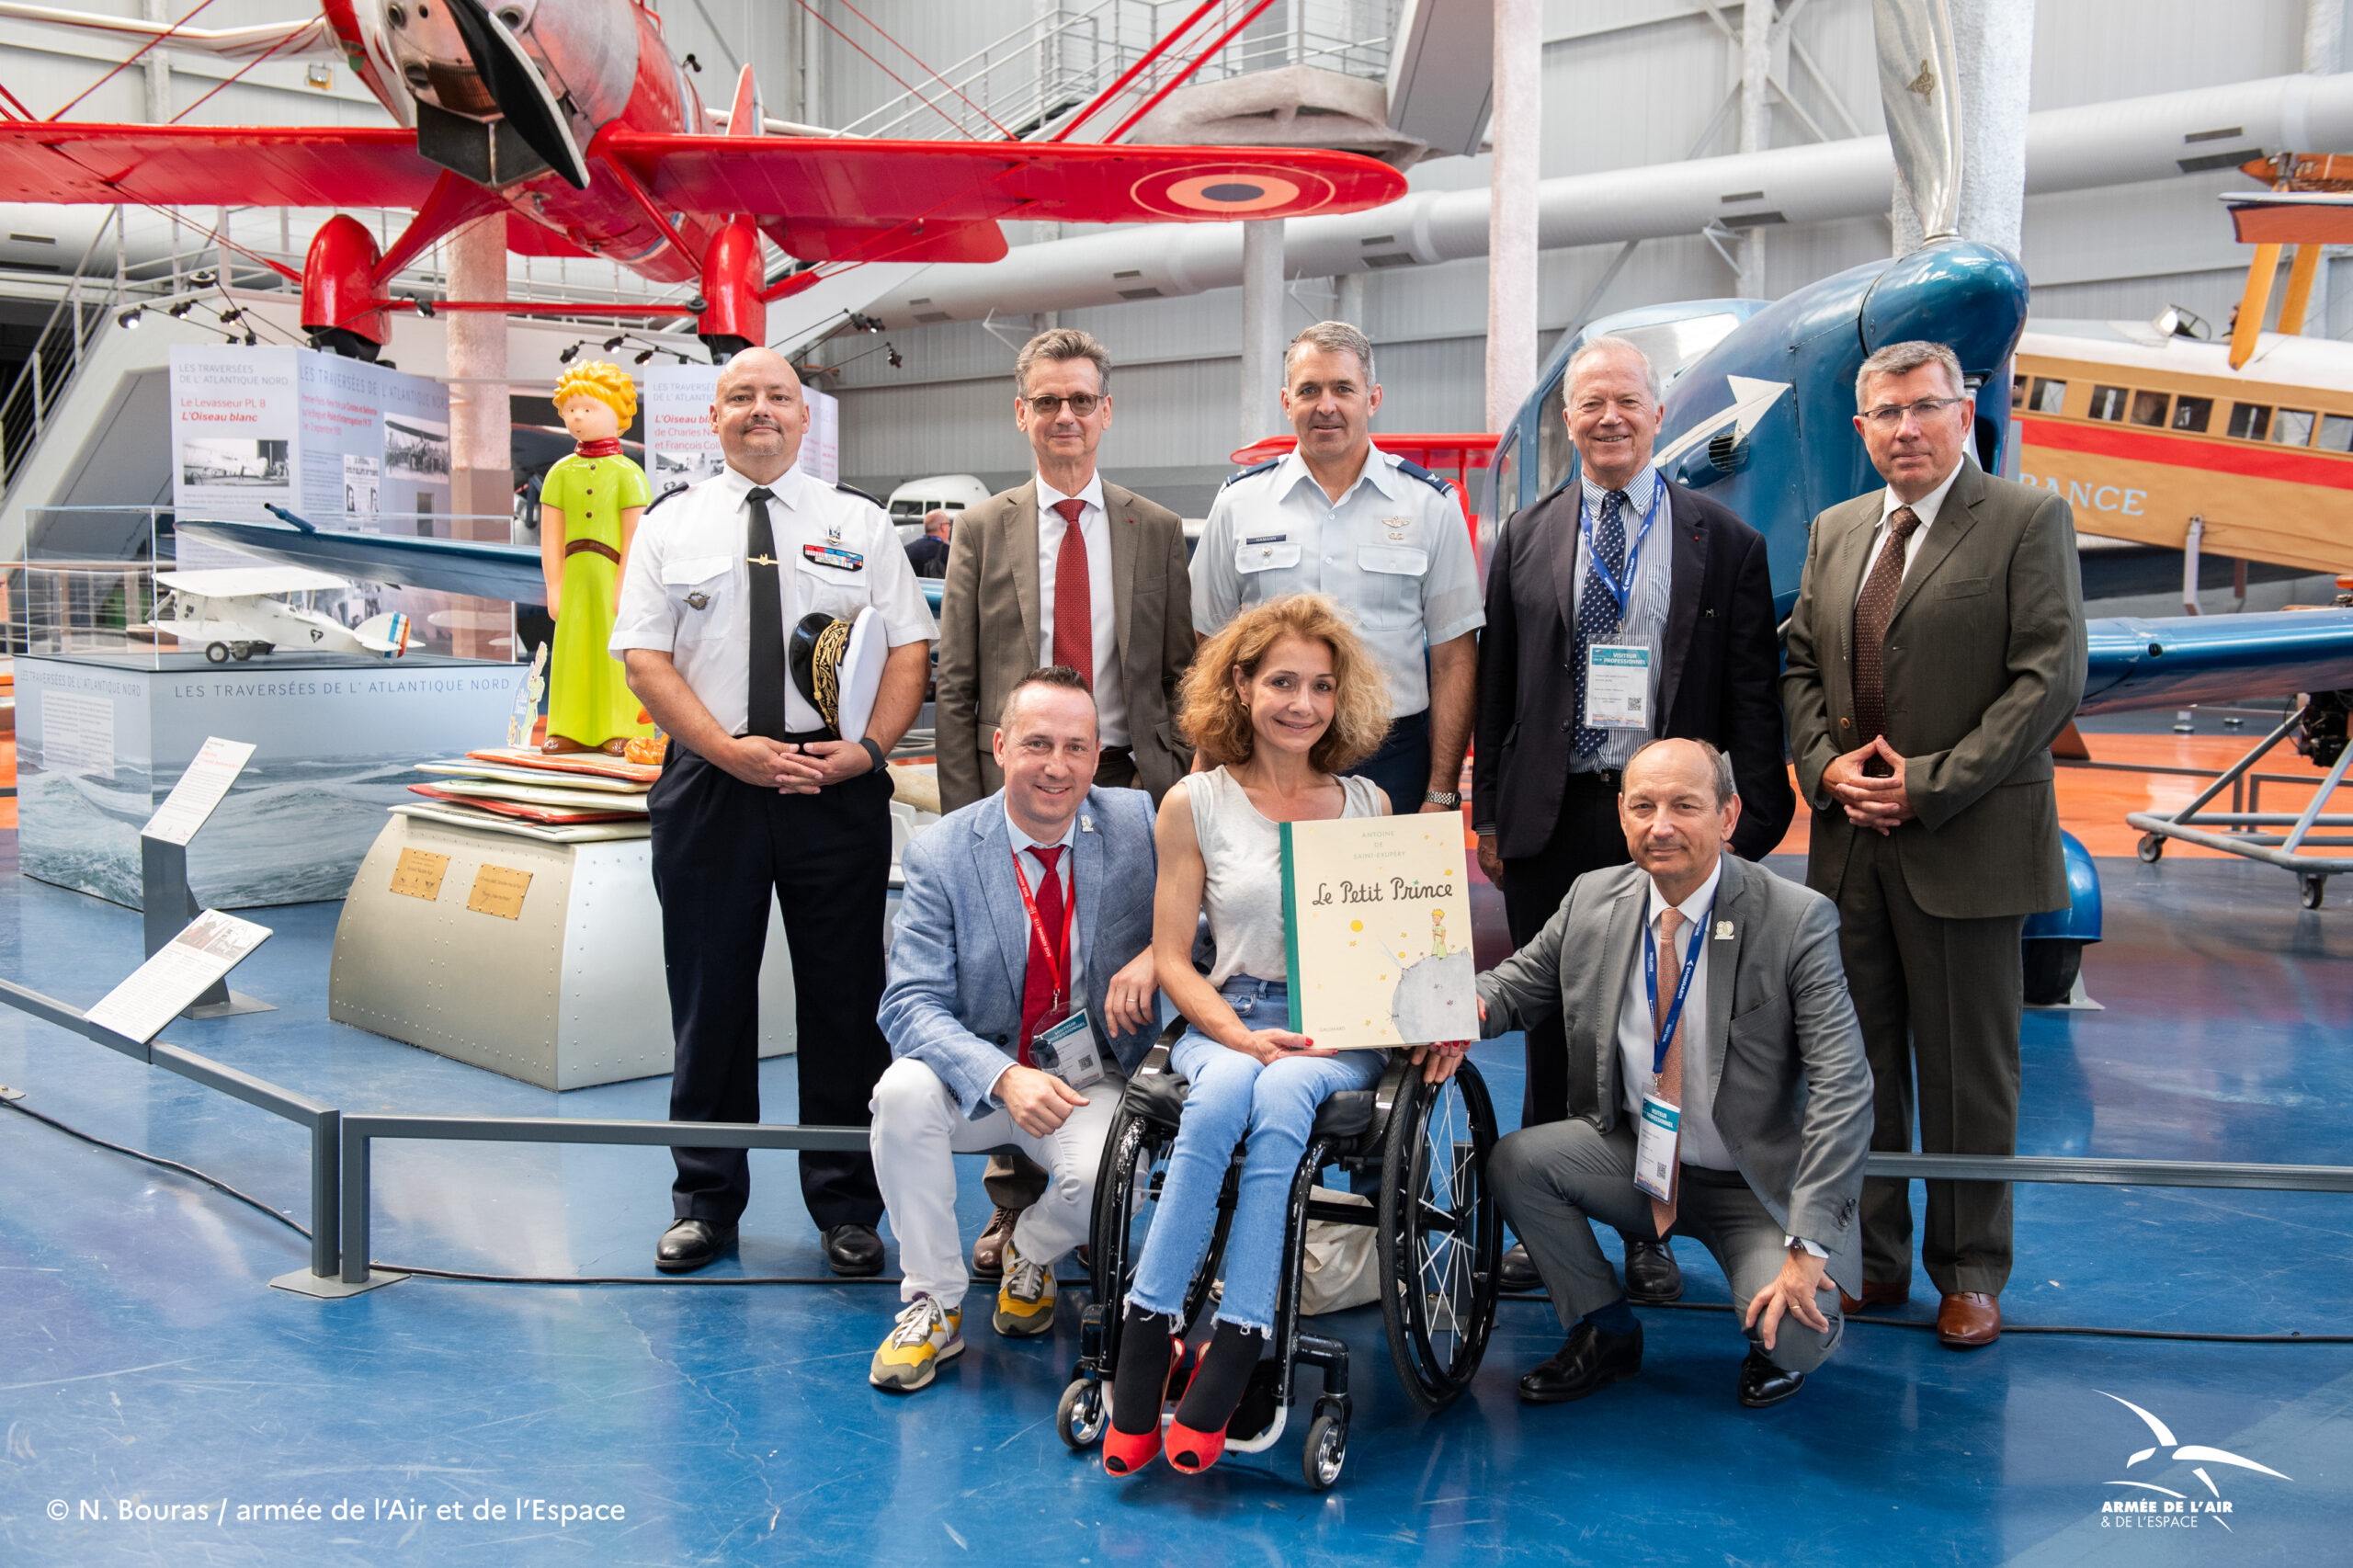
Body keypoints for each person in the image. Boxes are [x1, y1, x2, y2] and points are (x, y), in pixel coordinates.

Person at [1102, 594, 1467, 1478]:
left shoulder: (1368, 802)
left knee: (1285, 1090)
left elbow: (1412, 941)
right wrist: (1238, 1033)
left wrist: (1442, 1018)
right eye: (1281, 682)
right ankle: (1151, 1332)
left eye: (1320, 687)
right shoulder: (1194, 803)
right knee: (1232, 1086)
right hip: (1229, 1014)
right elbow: (1174, 960)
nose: (1301, 703)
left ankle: (1234, 1341)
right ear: (1241, 685)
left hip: (1337, 1020)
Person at [1473, 335, 1795, 1306]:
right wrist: (1488, 808)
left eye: (1625, 400)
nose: (1606, 418)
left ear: (1658, 414)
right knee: (1552, 1028)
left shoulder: (1724, 542)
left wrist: (1752, 810)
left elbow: (1750, 688)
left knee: (1660, 1028)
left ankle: (1650, 1229)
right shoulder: (1525, 535)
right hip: (1555, 810)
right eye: (1587, 404)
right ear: (1566, 422)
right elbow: (1498, 688)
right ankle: (1548, 1220)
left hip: (1667, 822)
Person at [1780, 339, 2086, 1349]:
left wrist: (1928, 784)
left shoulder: (2024, 520)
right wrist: (1825, 765)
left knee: (1967, 1073)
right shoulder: (1834, 531)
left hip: (1964, 840)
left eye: (1923, 407)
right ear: (1859, 427)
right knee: (1852, 1067)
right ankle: (1869, 1258)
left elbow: (2047, 678)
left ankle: (1968, 1271)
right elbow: (1796, 666)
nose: (1904, 428)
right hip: (1848, 847)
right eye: (1884, 412)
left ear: (1965, 413)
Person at [612, 347, 938, 1279]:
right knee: (709, 998)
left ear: (806, 419)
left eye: (780, 397)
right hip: (713, 782)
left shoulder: (857, 523)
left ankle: (846, 1206)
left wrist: (866, 750)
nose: (762, 410)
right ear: (712, 418)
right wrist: (727, 750)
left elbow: (908, 648)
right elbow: (644, 658)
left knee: (844, 1002)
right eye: (742, 397)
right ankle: (705, 1202)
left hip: (831, 784)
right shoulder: (670, 526)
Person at [1480, 738, 1873, 1410]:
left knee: (1798, 1339)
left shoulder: (1794, 919)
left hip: (1754, 1185)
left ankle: (1772, 1321)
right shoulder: (1593, 898)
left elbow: (1844, 1088)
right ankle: (1605, 1331)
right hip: (1639, 1161)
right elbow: (1514, 987)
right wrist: (1446, 1011)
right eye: (1643, 806)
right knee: (1520, 1161)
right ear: (1623, 815)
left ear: (1727, 816)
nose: (1660, 825)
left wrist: (1809, 1248)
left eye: (1684, 805)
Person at [933, 325, 1196, 1278]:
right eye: (1047, 400)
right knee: (1017, 991)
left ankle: (1107, 1184)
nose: (1065, 416)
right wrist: (974, 819)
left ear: (1106, 410)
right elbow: (957, 683)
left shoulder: (1156, 530)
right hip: (1021, 790)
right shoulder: (984, 527)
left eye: (1081, 399)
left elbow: (1179, 678)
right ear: (1021, 413)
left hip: (1127, 785)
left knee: (1121, 997)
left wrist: (1184, 801)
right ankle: (1014, 1204)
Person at [867, 667, 1163, 1392]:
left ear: (1098, 756)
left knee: (1109, 1178)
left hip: (1088, 1077)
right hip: (981, 1076)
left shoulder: (1139, 824)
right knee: (900, 1094)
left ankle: (1029, 1252)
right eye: (1037, 744)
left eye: (1075, 747)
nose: (1056, 767)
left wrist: (1158, 956)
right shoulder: (942, 852)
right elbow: (908, 1003)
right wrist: (1002, 1076)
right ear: (1000, 747)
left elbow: (1207, 935)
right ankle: (933, 1303)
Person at [1190, 321, 1483, 817]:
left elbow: (1455, 657)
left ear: (1372, 399)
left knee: (1388, 896)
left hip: (1392, 759)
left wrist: (1440, 789)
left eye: (1343, 388)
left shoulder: (1430, 505)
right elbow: (1211, 646)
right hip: (1268, 756)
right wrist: (1215, 759)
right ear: (1287, 402)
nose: (1326, 405)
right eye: (1309, 390)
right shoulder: (1240, 504)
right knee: (1270, 897)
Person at [538, 360, 654, 755]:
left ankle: (619, 727)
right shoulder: (559, 473)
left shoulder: (629, 475)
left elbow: (636, 539)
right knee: (571, 651)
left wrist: (625, 587)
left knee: (613, 655)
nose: (577, 418)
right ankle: (567, 726)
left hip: (611, 575)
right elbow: (550, 537)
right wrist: (554, 585)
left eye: (588, 408)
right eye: (571, 409)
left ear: (617, 414)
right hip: (574, 576)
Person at [904, 508, 952, 579]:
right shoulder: (948, 553)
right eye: (949, 525)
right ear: (943, 527)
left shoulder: (906, 549)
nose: (950, 528)